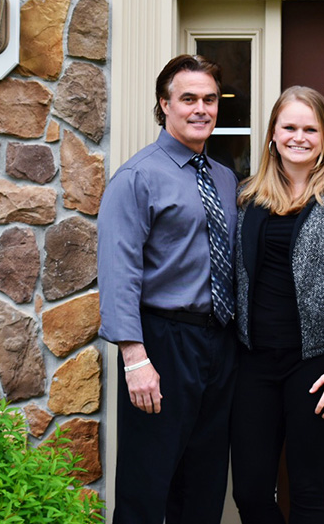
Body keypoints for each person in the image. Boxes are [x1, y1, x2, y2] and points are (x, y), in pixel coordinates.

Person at [230, 86, 324, 524]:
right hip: (253, 365)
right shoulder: (247, 198)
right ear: (272, 136)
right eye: (290, 127)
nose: (299, 137)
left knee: (308, 489)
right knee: (250, 491)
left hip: (319, 367)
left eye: (310, 129)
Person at [97, 54, 238, 524]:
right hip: (162, 342)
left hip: (218, 343)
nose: (201, 109)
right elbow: (119, 273)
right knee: (147, 484)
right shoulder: (137, 177)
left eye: (210, 99)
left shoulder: (224, 178)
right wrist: (135, 360)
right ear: (165, 104)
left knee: (204, 484)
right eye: (189, 98)